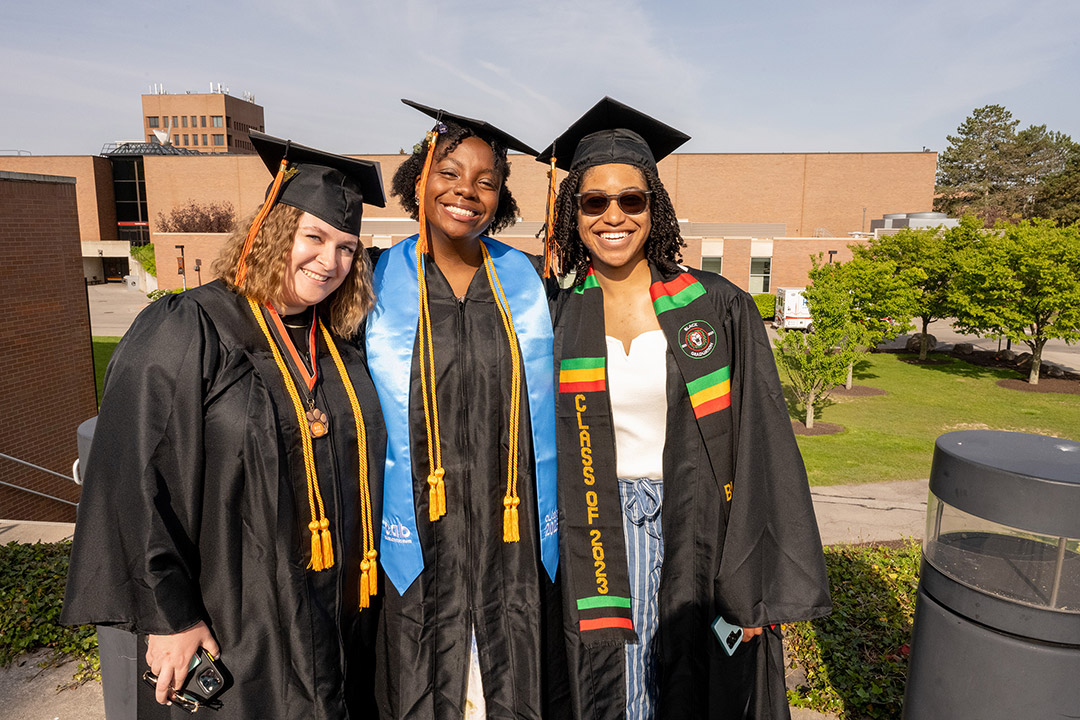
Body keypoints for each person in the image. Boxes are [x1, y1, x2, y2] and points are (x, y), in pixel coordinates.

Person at [62, 131, 387, 719]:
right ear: (272, 229)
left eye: (347, 248)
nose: (331, 260)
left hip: (333, 610)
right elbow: (134, 472)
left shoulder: (337, 344)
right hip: (236, 614)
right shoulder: (189, 326)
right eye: (314, 237)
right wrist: (171, 616)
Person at [541, 97, 831, 720]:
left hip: (691, 527)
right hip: (587, 530)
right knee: (603, 686)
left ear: (656, 208)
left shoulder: (717, 307)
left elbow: (761, 443)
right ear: (574, 212)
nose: (613, 215)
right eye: (594, 202)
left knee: (679, 682)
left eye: (631, 200)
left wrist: (753, 586)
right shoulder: (552, 314)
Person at [365, 100, 565, 720]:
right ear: (417, 180)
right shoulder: (372, 283)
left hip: (513, 531)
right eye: (449, 173)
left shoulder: (532, 285)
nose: (466, 192)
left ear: (501, 197)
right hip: (416, 533)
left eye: (486, 180)